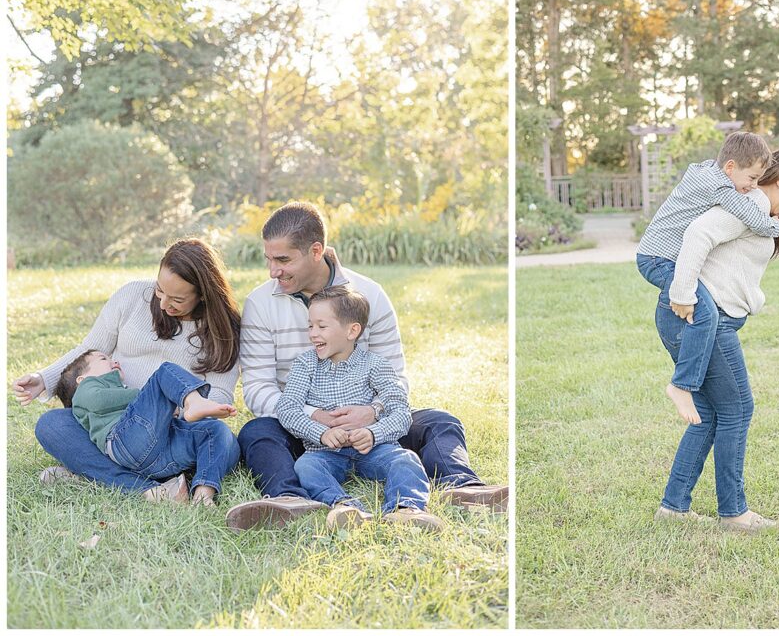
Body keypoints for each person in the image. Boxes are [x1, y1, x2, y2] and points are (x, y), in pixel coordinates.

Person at [226, 202, 507, 530]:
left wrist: (372, 413)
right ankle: (288, 498)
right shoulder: (261, 303)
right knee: (257, 433)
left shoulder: (370, 294)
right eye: (269, 259)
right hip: (299, 425)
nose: (273, 271)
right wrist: (313, 417)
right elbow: (258, 388)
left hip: (370, 427)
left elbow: (394, 376)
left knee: (441, 422)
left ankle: (463, 488)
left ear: (316, 251)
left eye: (283, 260)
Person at [650, 147, 779, 532]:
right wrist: (683, 291)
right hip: (700, 318)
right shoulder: (750, 204)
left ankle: (673, 507)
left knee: (711, 414)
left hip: (700, 318)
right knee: (738, 408)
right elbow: (697, 234)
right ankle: (734, 512)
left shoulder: (758, 211)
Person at [11, 238, 243, 500]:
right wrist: (44, 379)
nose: (164, 304)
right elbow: (91, 347)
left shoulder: (225, 333)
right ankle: (150, 490)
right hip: (116, 425)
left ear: (203, 294)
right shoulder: (132, 296)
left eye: (177, 299)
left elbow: (221, 397)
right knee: (53, 424)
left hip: (171, 434)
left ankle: (96, 474)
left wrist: (166, 408)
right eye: (160, 291)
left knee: (226, 441)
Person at [637, 132, 779, 426]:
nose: (753, 187)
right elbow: (750, 216)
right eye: (752, 179)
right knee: (703, 313)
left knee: (703, 311)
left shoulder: (707, 171)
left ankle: (686, 382)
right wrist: (774, 225)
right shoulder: (719, 186)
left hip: (657, 255)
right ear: (730, 167)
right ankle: (681, 385)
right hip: (658, 258)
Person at [276, 286, 443, 531]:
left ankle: (406, 509)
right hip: (326, 452)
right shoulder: (305, 364)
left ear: (352, 330)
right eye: (310, 326)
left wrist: (374, 433)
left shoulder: (375, 364)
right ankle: (344, 506)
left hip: (374, 448)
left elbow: (400, 410)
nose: (313, 334)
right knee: (306, 466)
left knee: (406, 460)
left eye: (321, 327)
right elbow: (287, 408)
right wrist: (321, 433)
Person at [55, 352, 238, 505]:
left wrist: (159, 407)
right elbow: (99, 400)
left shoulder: (121, 390)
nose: (114, 361)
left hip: (159, 455)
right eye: (104, 359)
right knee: (165, 372)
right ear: (82, 378)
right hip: (124, 442)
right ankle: (194, 401)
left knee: (215, 430)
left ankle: (203, 498)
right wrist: (151, 397)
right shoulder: (87, 390)